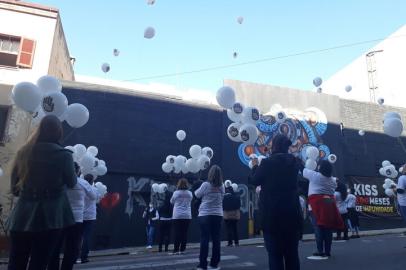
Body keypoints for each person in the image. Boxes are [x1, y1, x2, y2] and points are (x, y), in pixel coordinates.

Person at [6, 115, 77, 270]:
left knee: (16, 262)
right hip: (51, 217)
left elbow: (15, 190)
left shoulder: (23, 152)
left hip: (22, 216)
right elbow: (72, 183)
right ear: (59, 132)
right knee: (39, 262)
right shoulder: (64, 155)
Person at [249, 134, 302, 270]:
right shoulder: (295, 162)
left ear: (275, 146)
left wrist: (255, 166)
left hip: (272, 215)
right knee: (292, 255)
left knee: (275, 255)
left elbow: (254, 180)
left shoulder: (267, 163)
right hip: (292, 214)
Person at [48, 163, 97, 270]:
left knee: (55, 246)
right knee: (71, 247)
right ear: (78, 171)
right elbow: (94, 196)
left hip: (59, 218)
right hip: (76, 219)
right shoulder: (82, 182)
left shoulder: (58, 182)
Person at [304, 160, 343, 257]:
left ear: (320, 168)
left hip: (317, 202)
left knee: (318, 226)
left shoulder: (315, 176)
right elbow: (336, 182)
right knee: (328, 227)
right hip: (329, 202)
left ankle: (320, 250)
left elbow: (302, 169)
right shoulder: (333, 181)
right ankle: (328, 250)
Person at [195, 165, 225, 270]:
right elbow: (222, 197)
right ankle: (214, 264)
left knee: (204, 239)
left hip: (205, 214)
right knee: (216, 240)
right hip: (217, 215)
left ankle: (203, 265)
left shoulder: (205, 185)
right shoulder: (222, 186)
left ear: (210, 174)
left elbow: (197, 195)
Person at [79, 174, 99, 264]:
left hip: (80, 215)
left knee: (77, 237)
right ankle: (84, 257)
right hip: (90, 216)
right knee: (86, 237)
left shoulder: (81, 188)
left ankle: (74, 256)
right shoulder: (94, 189)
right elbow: (97, 199)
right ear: (92, 181)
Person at [170, 178, 193, 254]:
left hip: (177, 215)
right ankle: (182, 250)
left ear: (178, 184)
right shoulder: (190, 193)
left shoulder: (176, 193)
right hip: (187, 215)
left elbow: (171, 202)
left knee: (177, 233)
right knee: (184, 233)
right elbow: (191, 200)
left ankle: (176, 250)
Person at [158, 184, 173, 253]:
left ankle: (160, 249)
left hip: (162, 220)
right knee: (167, 235)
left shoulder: (162, 206)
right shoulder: (171, 206)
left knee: (161, 234)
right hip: (169, 220)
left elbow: (159, 211)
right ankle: (166, 248)